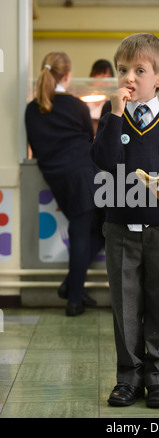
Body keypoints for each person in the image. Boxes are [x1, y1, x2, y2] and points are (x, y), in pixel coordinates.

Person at [91, 33, 159, 408]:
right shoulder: (113, 120)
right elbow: (104, 160)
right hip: (120, 228)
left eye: (140, 70)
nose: (129, 77)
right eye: (123, 69)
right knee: (125, 306)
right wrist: (114, 115)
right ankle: (128, 377)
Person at [25, 51, 105, 317]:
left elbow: (35, 148)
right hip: (84, 174)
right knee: (93, 229)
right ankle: (73, 299)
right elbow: (91, 139)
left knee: (93, 227)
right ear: (68, 75)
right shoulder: (76, 105)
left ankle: (72, 285)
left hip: (57, 178)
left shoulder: (31, 108)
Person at [88, 59, 115, 132]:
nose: (105, 81)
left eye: (109, 77)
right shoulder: (84, 101)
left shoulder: (112, 104)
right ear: (91, 77)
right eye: (102, 76)